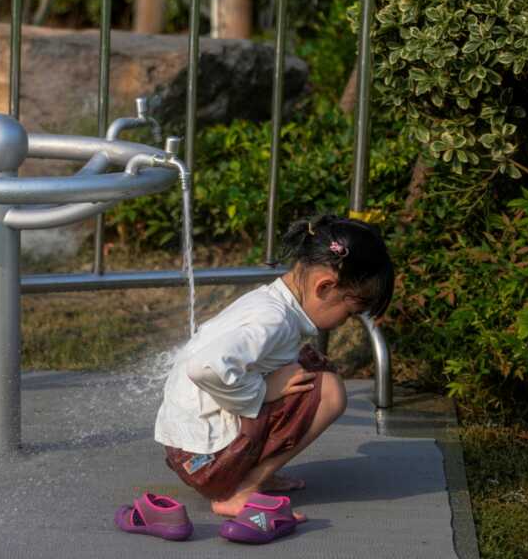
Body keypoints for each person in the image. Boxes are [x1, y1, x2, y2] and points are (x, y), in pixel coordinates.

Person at [154, 215, 393, 520]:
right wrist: (264, 391)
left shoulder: (270, 303)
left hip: (188, 451)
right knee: (329, 391)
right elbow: (203, 367)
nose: (346, 322)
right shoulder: (273, 320)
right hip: (204, 459)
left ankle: (252, 475)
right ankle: (242, 489)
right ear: (325, 287)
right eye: (350, 313)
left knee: (306, 365)